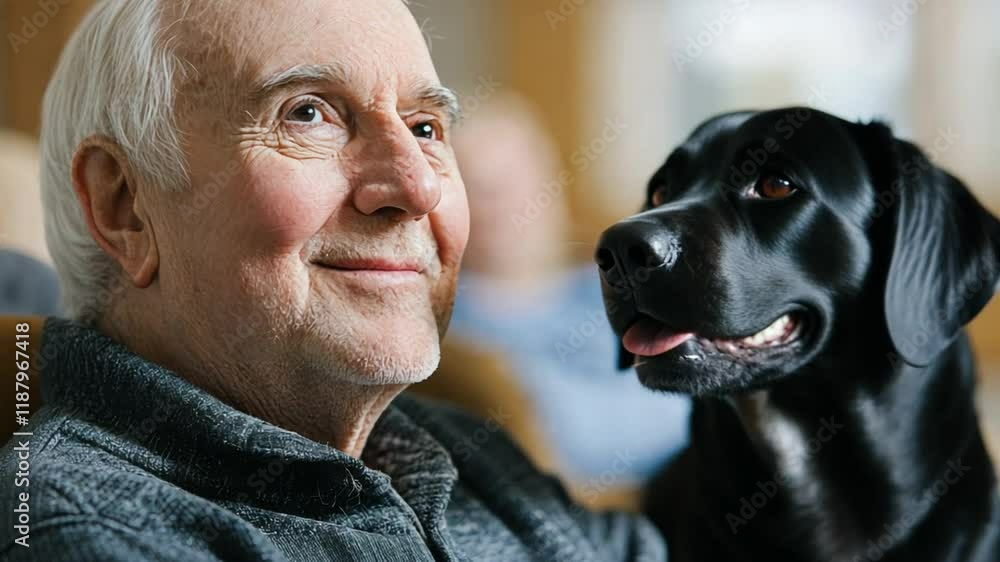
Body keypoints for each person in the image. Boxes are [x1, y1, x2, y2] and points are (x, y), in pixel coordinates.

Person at [0, 1, 667, 560]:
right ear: (123, 207)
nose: (416, 184)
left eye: (427, 127)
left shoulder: (462, 453)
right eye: (307, 113)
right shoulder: (90, 527)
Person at [450, 95, 690, 487]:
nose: (506, 203)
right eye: (479, 187)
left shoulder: (618, 284)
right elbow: (559, 443)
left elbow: (700, 398)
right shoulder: (449, 333)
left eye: (517, 178)